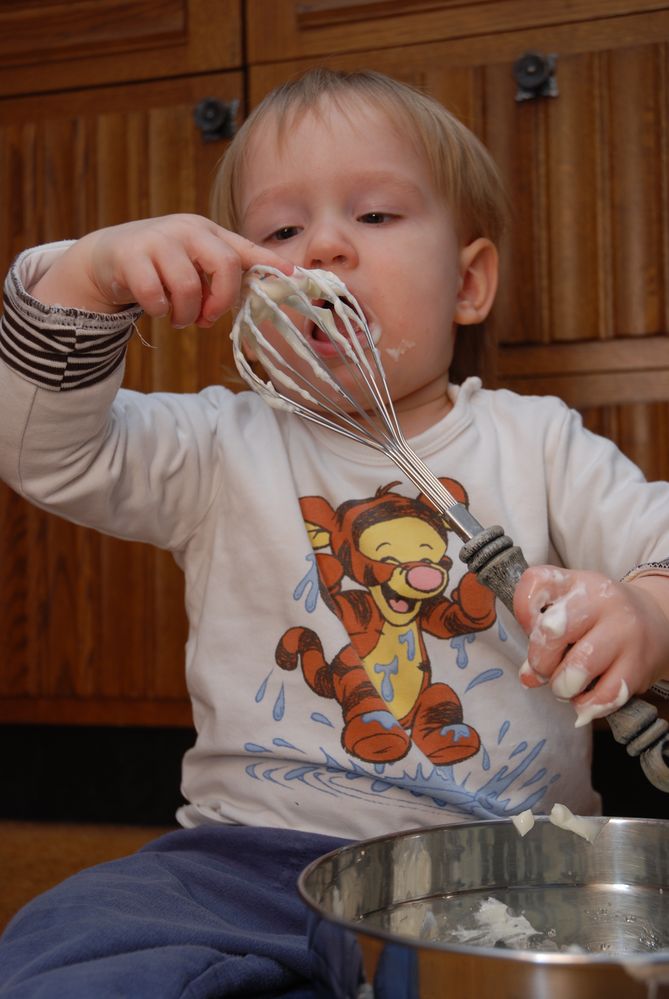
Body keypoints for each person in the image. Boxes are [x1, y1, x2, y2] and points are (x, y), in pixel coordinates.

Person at [0, 67, 668, 997]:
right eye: (278, 231)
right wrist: (85, 276)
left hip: (504, 868)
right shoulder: (218, 445)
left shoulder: (538, 440)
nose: (321, 247)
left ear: (468, 281)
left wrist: (646, 605)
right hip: (248, 862)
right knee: (70, 937)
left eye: (375, 216)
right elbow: (43, 451)